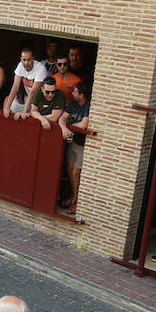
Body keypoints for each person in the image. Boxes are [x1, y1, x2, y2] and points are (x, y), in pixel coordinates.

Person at [59, 82, 91, 215]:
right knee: (69, 169)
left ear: (82, 95)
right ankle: (74, 196)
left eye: (75, 92)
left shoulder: (88, 105)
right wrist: (64, 127)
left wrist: (70, 127)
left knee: (74, 172)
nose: (72, 94)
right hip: (74, 142)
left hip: (83, 145)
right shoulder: (72, 103)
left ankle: (76, 201)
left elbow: (83, 125)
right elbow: (62, 119)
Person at [3, 45, 47, 116]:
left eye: (29, 60)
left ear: (33, 58)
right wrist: (7, 107)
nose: (26, 63)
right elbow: (15, 87)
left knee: (30, 114)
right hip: (28, 98)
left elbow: (33, 92)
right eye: (24, 60)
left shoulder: (40, 68)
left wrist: (24, 112)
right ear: (21, 59)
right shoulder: (20, 65)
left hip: (41, 100)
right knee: (7, 101)